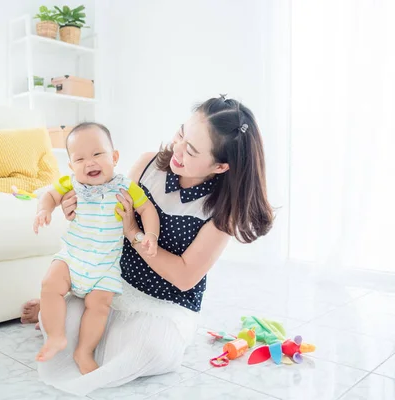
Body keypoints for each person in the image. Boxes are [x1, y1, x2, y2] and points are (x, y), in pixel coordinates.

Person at [22, 96, 274, 396]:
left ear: (219, 166)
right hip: (116, 281)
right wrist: (73, 204)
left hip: (166, 303)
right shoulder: (147, 165)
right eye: (181, 134)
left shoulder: (223, 210)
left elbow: (183, 277)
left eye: (191, 150)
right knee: (61, 317)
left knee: (150, 348)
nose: (176, 149)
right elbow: (107, 208)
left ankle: (86, 325)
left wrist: (133, 231)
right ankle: (65, 306)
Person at [33, 122, 161, 375]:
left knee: (99, 306)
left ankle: (84, 351)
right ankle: (56, 336)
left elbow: (147, 209)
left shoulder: (126, 186)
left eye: (97, 154)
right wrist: (43, 210)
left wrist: (151, 236)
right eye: (79, 158)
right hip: (72, 257)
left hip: (105, 265)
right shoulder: (70, 183)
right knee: (50, 285)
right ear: (71, 166)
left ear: (114, 157)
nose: (89, 162)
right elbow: (49, 195)